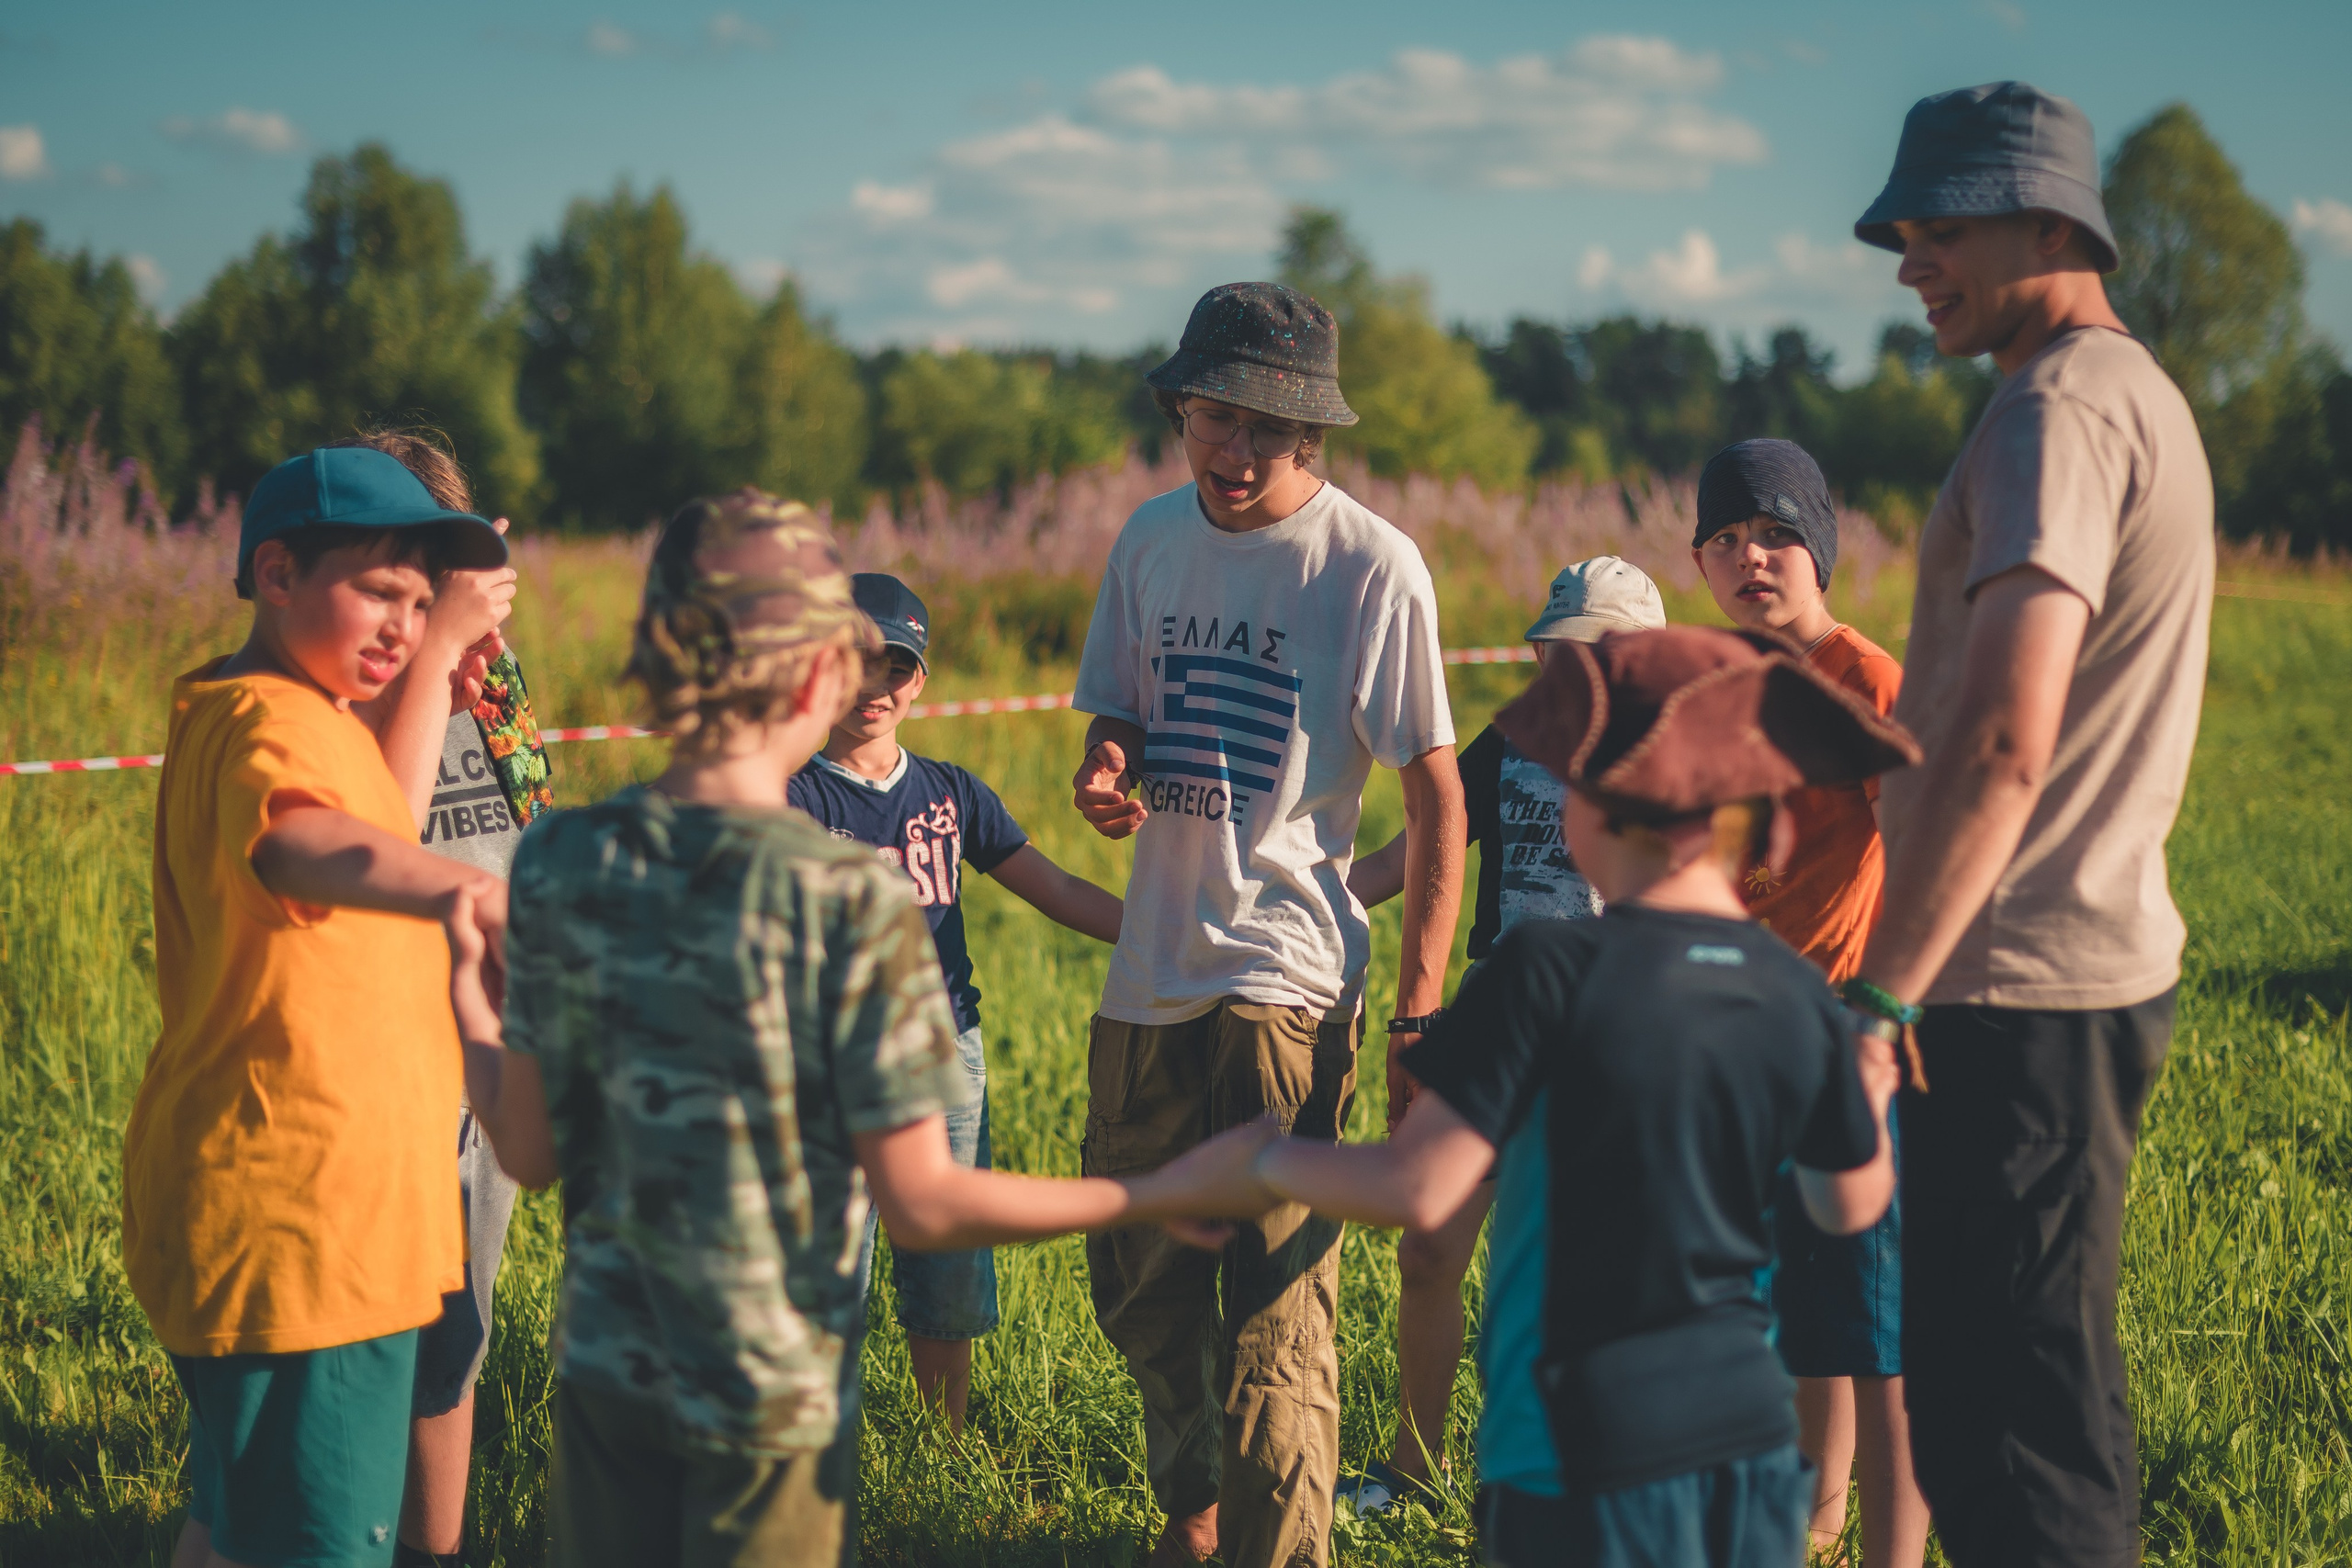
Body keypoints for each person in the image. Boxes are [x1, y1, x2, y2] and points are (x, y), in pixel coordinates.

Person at [441, 489, 1263, 1568]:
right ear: (824, 673)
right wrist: (1153, 1192)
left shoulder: (564, 860)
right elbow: (925, 1196)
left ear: (646, 660)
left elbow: (531, 1150)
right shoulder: (850, 900)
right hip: (771, 1416)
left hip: (606, 1389)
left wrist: (468, 992)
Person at [1158, 626, 1919, 1568]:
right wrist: (1871, 1078)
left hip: (1568, 1457)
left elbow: (1418, 1190)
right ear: (1775, 826)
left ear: (1588, 811)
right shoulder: (1801, 995)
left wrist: (1257, 1160)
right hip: (1744, 1463)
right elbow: (1849, 1202)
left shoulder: (1543, 968)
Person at [1845, 82, 2215, 1567]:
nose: (1908, 259)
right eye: (1900, 232)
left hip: (2008, 989)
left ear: (2052, 220)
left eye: (1939, 227)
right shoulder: (2137, 395)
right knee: (2042, 1398)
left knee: (2003, 1440)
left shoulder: (2054, 408)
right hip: (2072, 977)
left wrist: (1882, 998)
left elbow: (2009, 738)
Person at [1068, 281, 1465, 1568]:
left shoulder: (1371, 565)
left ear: (1311, 434)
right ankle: (1197, 1507)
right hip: (1149, 972)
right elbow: (1117, 708)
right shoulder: (1147, 540)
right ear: (1181, 411)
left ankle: (1277, 1552)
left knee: (1274, 1307)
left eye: (1259, 427)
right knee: (1136, 1276)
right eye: (1209, 417)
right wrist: (1104, 763)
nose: (1231, 452)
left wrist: (1415, 1006)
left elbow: (1440, 797)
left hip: (1286, 977)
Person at [121, 446, 513, 1568]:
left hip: (295, 1216)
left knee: (246, 1527)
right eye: (380, 591)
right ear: (278, 573)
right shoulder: (271, 725)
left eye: (422, 601)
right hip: (307, 1234)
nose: (404, 623)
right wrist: (456, 886)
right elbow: (305, 839)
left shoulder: (298, 707)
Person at [1339, 556, 1668, 1516]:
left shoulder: (1679, 761)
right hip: (1496, 1015)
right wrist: (1316, 894)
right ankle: (1413, 1468)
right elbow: (1425, 848)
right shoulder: (1513, 738)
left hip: (1614, 1029)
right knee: (1429, 1248)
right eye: (1554, 651)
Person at [789, 570, 1125, 1435]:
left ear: (920, 682)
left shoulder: (950, 792)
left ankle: (947, 1438)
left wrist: (1156, 934)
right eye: (857, 662)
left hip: (945, 1054)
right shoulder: (788, 795)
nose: (877, 685)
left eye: (896, 667)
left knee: (944, 1251)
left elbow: (1049, 886)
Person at [1690, 438, 1928, 1567]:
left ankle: (1869, 1541)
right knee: (1781, 1301)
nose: (1753, 557)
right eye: (1727, 538)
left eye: (1778, 533)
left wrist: (1894, 1015)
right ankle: (1808, 1521)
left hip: (1847, 1034)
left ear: (1820, 549)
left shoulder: (1867, 679)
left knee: (1866, 1313)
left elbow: (1925, 854)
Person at [319, 429, 545, 1568]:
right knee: (368, 1340)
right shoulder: (340, 691)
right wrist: (431, 657)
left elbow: (523, 835)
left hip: (489, 1054)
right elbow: (375, 835)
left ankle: (434, 1553)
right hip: (380, 1064)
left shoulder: (491, 687)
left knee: (458, 1338)